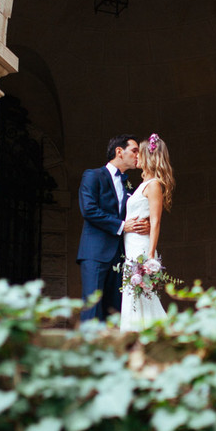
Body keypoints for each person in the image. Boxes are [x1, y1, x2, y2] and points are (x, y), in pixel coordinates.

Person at [77, 134, 150, 326]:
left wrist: (145, 224)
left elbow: (134, 212)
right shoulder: (93, 175)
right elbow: (89, 209)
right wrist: (121, 226)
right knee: (92, 307)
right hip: (95, 253)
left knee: (116, 310)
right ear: (119, 151)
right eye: (134, 151)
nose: (137, 155)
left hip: (120, 257)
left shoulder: (130, 185)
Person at [120, 133, 175, 331]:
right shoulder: (142, 185)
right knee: (134, 296)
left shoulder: (154, 185)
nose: (136, 157)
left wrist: (151, 255)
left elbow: (156, 219)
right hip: (131, 247)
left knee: (142, 295)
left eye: (139, 153)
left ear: (148, 157)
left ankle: (157, 334)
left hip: (141, 250)